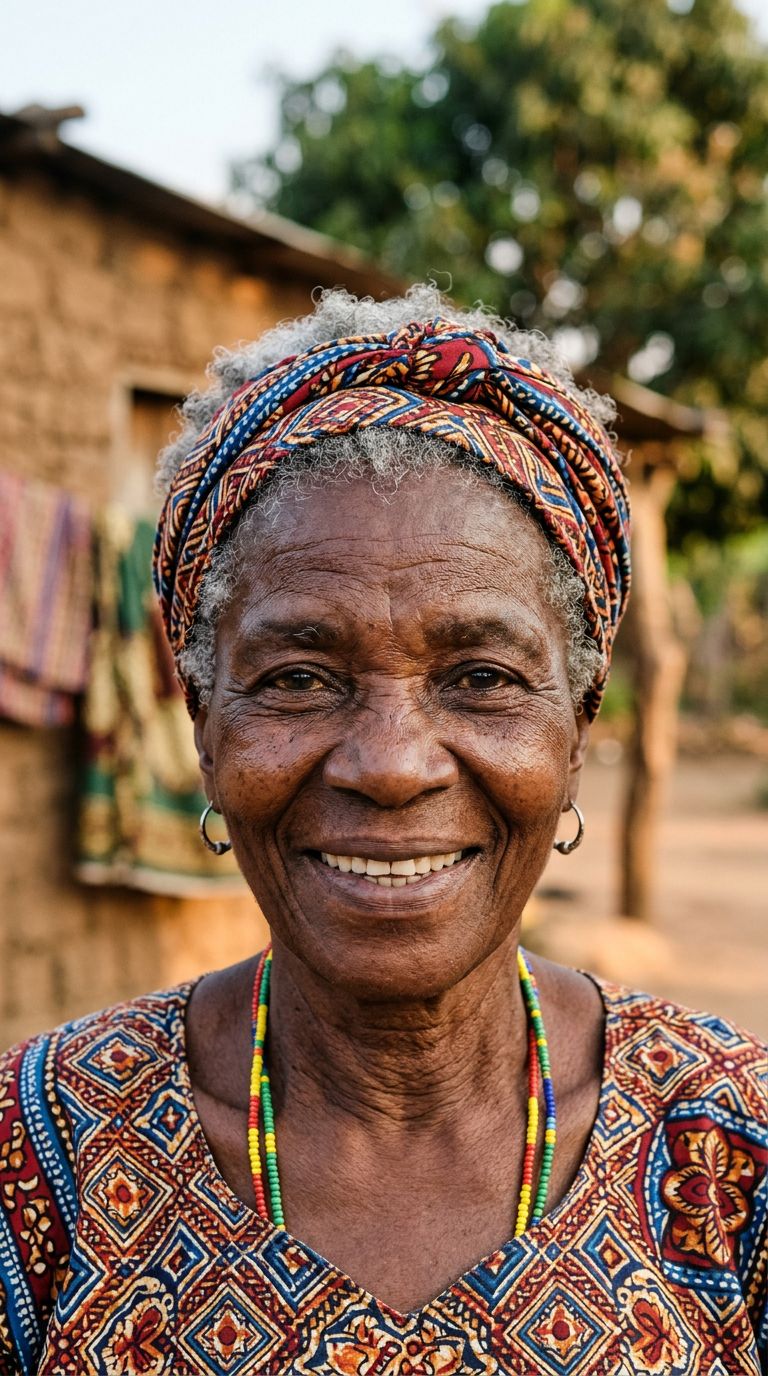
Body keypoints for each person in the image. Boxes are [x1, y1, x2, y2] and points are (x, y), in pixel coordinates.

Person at [1, 286, 765, 1375]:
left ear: (578, 724)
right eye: (300, 677)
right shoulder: (42, 1159)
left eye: (484, 677)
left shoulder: (734, 1154)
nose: (392, 764)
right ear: (202, 719)